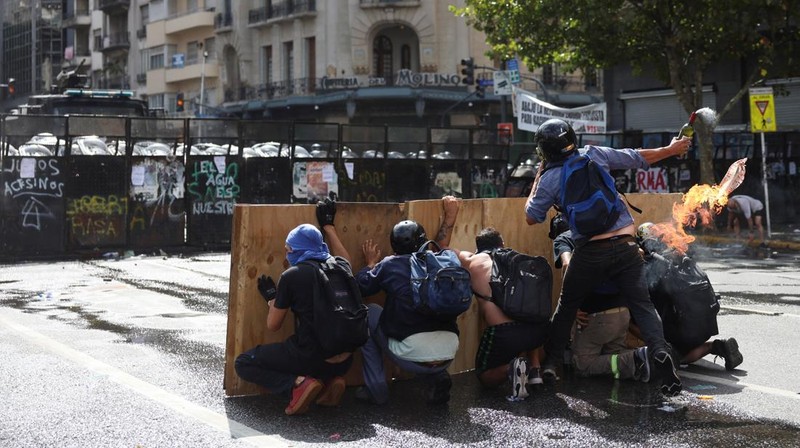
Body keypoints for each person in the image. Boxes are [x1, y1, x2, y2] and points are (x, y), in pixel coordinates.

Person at [524, 118, 691, 396]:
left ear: (544, 151)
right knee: (642, 305)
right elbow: (637, 157)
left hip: (590, 251)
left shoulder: (550, 178)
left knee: (566, 305)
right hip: (626, 245)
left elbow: (531, 217)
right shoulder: (593, 153)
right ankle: (660, 352)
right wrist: (672, 149)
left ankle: (551, 364)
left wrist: (538, 179)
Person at [234, 201, 357, 416]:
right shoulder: (342, 267)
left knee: (243, 363)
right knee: (318, 353)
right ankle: (329, 383)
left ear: (297, 250)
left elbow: (273, 325)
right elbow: (345, 259)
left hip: (312, 357)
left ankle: (297, 384)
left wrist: (272, 297)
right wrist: (329, 227)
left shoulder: (293, 275)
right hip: (346, 360)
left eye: (289, 248)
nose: (287, 252)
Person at [351, 196, 462, 406]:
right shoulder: (440, 259)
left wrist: (370, 265)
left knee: (367, 312)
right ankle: (436, 376)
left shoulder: (390, 264)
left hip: (413, 354)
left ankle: (376, 389)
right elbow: (442, 244)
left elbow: (360, 286)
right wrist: (450, 217)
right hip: (449, 350)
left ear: (393, 245)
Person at [441, 224, 549, 401]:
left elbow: (441, 248)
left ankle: (512, 368)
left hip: (504, 332)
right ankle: (535, 369)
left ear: (478, 248)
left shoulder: (472, 261)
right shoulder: (519, 260)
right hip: (538, 331)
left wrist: (450, 218)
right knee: (529, 316)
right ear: (502, 244)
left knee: (485, 376)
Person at [550, 216, 650, 382]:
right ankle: (645, 358)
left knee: (582, 364)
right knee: (613, 357)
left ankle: (636, 357)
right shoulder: (604, 237)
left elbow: (567, 266)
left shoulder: (565, 240)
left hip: (599, 317)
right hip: (623, 314)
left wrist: (570, 307)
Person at [637, 223, 744, 372]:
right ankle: (718, 346)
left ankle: (713, 347)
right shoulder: (679, 254)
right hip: (706, 324)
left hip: (682, 332)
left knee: (678, 358)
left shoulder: (651, 265)